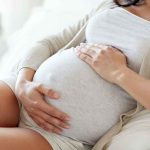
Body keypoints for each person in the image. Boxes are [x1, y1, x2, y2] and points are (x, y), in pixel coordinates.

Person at [0, 0, 150, 150]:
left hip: (59, 135)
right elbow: (49, 43)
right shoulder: (113, 4)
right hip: (21, 94)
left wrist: (119, 73)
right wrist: (23, 82)